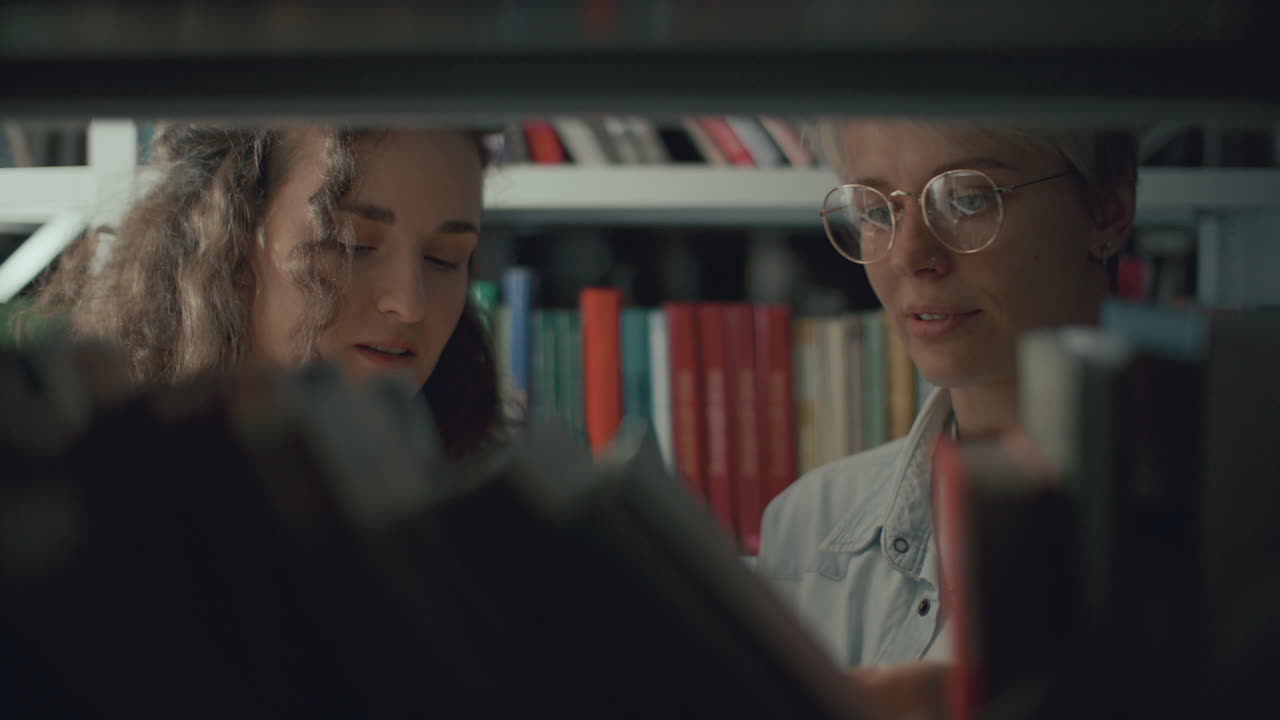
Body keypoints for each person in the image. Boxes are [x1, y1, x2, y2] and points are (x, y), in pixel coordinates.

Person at [756, 119, 1136, 677]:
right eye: (879, 212)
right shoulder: (806, 527)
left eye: (967, 199)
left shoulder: (1223, 527)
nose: (911, 255)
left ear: (1106, 208)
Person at [30, 124, 503, 458]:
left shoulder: (468, 499)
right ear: (233, 241)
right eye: (348, 244)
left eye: (445, 258)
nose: (409, 303)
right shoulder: (119, 492)